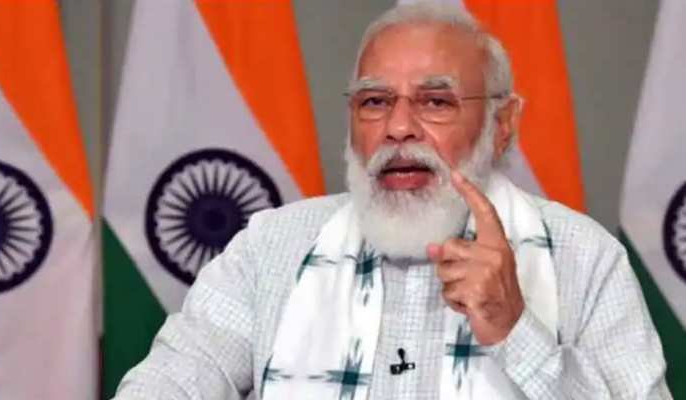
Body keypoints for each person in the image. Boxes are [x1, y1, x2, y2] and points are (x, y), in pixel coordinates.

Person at [112, 3, 672, 399]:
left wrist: (515, 330)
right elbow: (175, 378)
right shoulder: (271, 247)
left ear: (501, 125)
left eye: (435, 102)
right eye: (375, 101)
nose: (398, 127)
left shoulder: (585, 258)